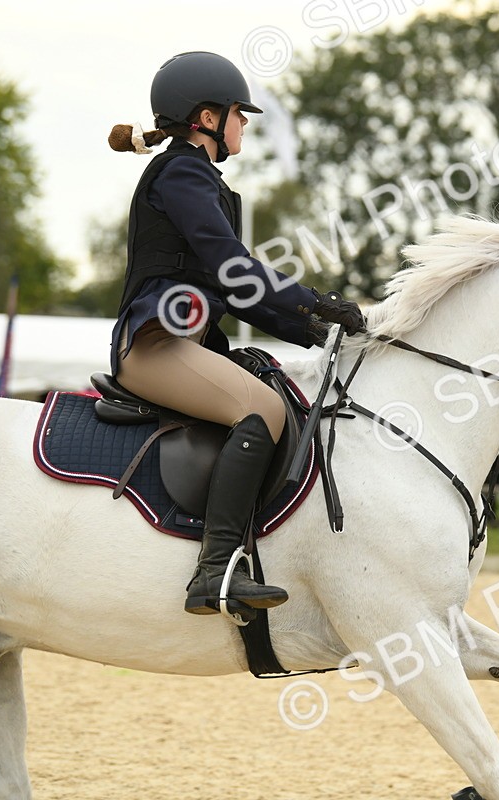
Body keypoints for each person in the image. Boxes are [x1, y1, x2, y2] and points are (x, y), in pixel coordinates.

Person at [108, 52, 365, 617]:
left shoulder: (205, 182)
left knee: (278, 397)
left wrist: (319, 331)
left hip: (182, 342)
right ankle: (215, 570)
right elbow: (234, 266)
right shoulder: (182, 173)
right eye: (238, 113)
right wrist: (317, 300)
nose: (244, 123)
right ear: (207, 118)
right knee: (262, 411)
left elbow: (238, 290)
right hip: (153, 344)